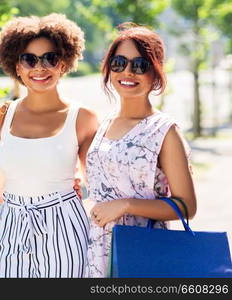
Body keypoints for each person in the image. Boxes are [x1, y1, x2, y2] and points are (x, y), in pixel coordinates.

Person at [85, 23, 197, 277]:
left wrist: (125, 205)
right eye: (119, 63)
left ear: (155, 73)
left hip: (143, 249)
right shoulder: (105, 123)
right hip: (97, 250)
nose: (128, 72)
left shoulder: (164, 131)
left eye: (139, 65)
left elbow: (187, 205)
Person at [0, 13, 99, 278]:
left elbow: (98, 186)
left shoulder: (82, 118)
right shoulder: (3, 115)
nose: (40, 68)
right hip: (12, 223)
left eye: (50, 58)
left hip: (63, 223)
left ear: (63, 64)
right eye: (29, 59)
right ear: (17, 67)